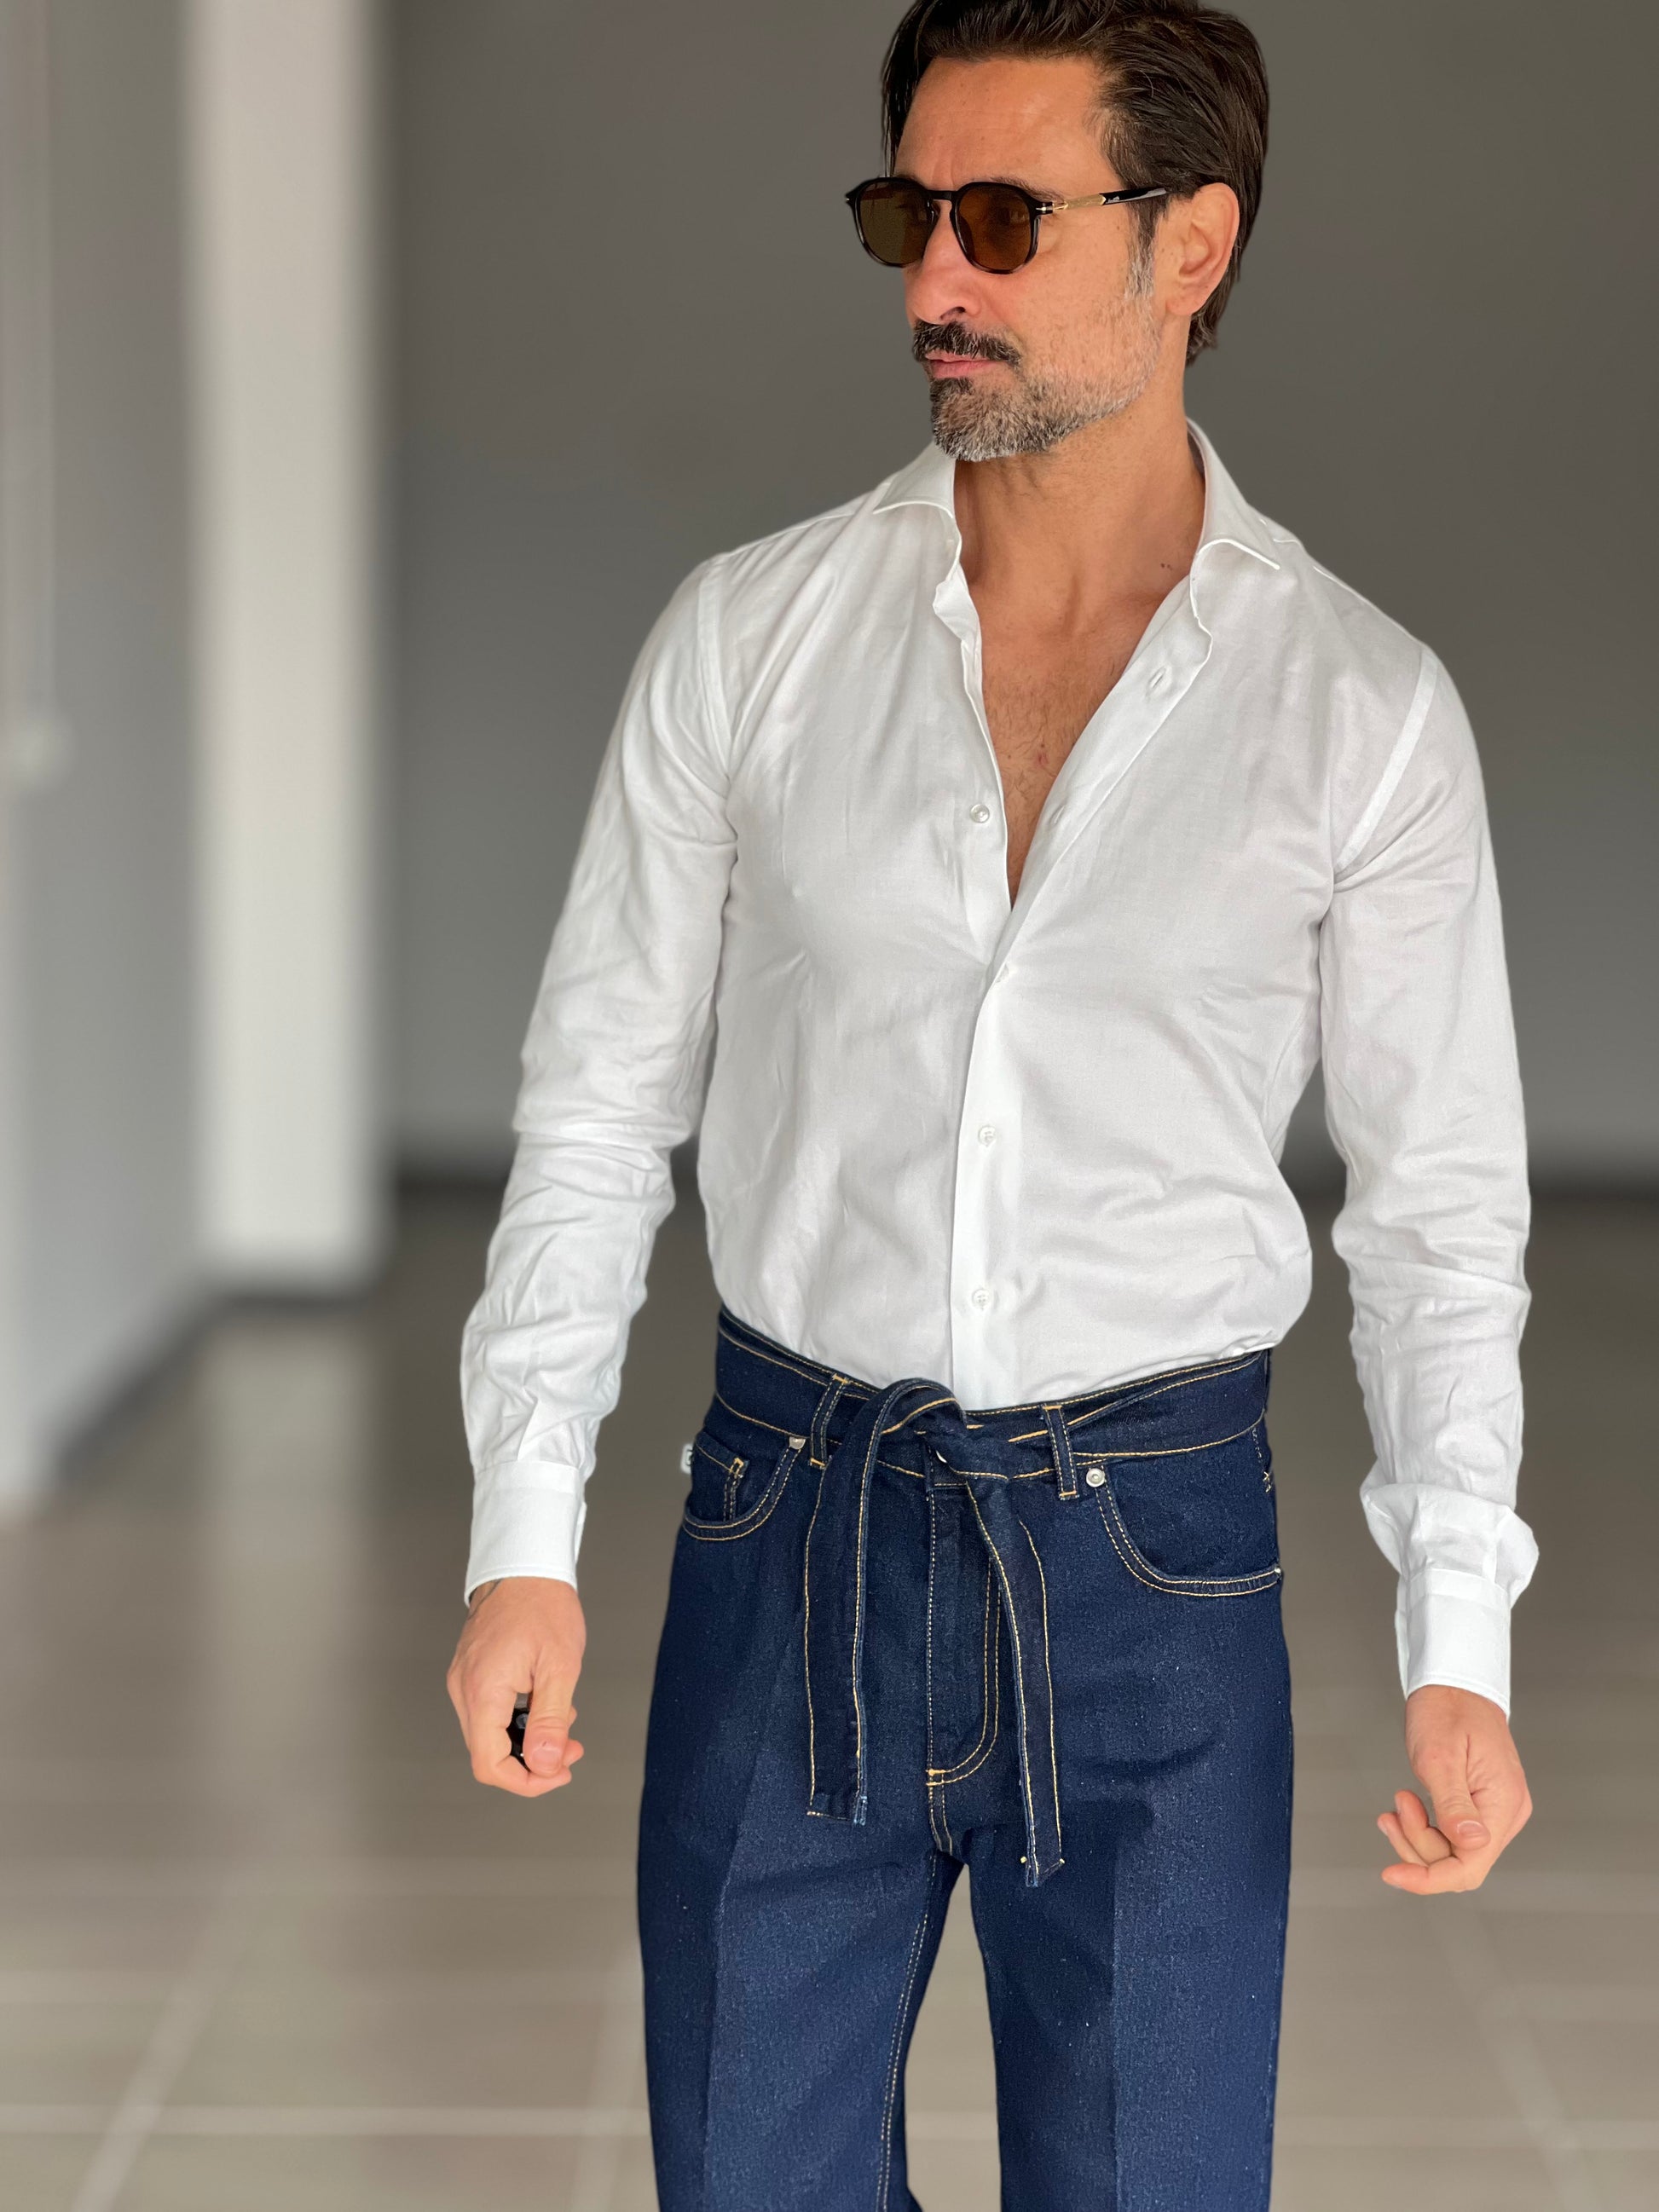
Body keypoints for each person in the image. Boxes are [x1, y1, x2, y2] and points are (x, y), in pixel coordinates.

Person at [446, 3, 1537, 2203]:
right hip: (787, 1525)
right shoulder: (748, 636)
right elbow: (595, 1106)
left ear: (1190, 245)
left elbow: (1437, 1214)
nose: (934, 278)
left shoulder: (1360, 710)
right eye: (907, 214)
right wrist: (523, 1536)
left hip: (1157, 1569)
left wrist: (1460, 1640)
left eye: (1005, 220)